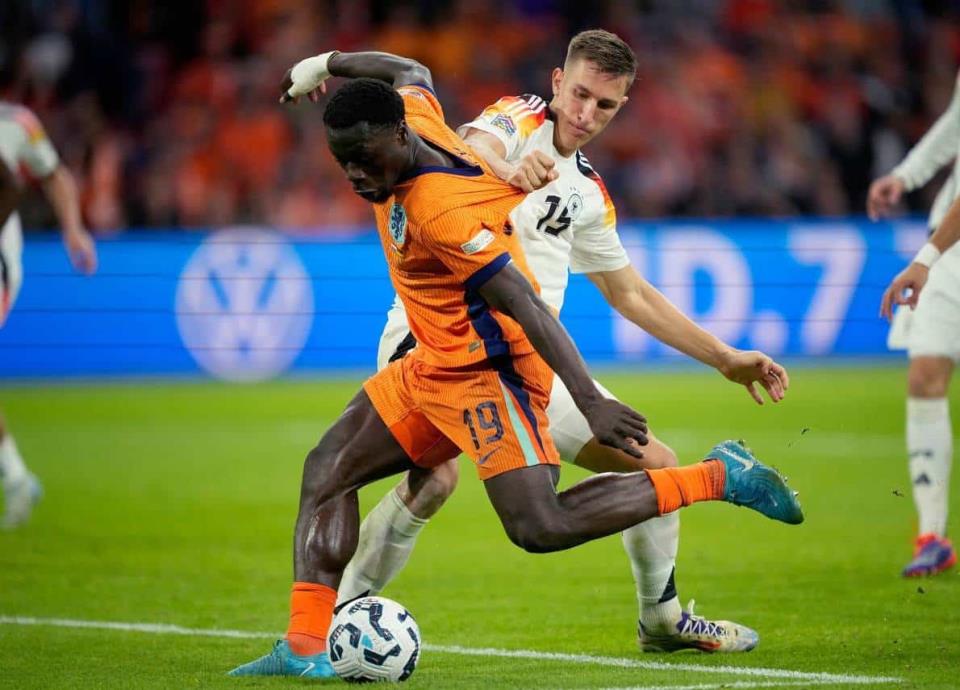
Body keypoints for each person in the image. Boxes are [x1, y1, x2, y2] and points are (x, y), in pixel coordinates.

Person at [229, 50, 801, 678]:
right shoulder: (509, 118)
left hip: (500, 364)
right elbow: (442, 106)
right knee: (347, 470)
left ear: (621, 108)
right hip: (429, 348)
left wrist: (719, 359)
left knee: (561, 511)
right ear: (557, 82)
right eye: (579, 93)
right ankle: (311, 641)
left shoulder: (539, 198)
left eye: (604, 104)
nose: (585, 113)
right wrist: (324, 65)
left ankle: (683, 565)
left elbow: (605, 296)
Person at [867, 68, 960, 577]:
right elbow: (955, 124)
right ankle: (932, 535)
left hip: (939, 246)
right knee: (925, 375)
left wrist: (923, 259)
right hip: (949, 245)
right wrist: (906, 176)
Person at [0, 102, 97, 529]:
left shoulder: (16, 124)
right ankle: (17, 478)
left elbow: (50, 174)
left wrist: (73, 229)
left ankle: (16, 478)